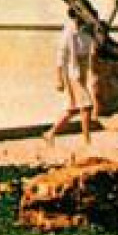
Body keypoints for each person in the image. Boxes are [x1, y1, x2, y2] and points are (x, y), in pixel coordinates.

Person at [46, 9, 101, 145]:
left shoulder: (89, 31)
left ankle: (50, 133)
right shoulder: (69, 32)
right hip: (71, 72)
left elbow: (93, 52)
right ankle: (87, 141)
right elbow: (60, 57)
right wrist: (59, 78)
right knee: (86, 105)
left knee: (73, 108)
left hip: (81, 72)